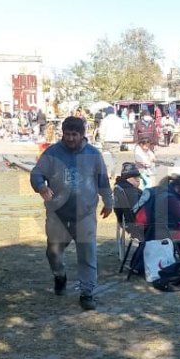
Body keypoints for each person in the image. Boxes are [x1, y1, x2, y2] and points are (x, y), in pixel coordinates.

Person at [30, 117, 114, 310]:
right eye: (67, 134)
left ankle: (87, 293)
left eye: (74, 134)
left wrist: (108, 201)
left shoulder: (93, 155)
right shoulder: (52, 153)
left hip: (84, 214)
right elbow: (36, 173)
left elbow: (102, 181)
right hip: (57, 214)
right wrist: (41, 187)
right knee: (53, 253)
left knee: (87, 254)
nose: (70, 138)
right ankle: (60, 276)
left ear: (82, 134)